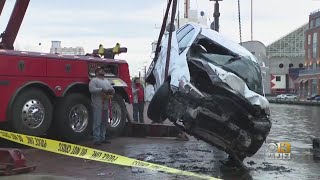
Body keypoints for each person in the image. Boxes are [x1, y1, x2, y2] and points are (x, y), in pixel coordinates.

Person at [89, 67, 115, 146]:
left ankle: (102, 138)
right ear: (96, 73)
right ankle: (96, 139)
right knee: (97, 121)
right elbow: (91, 89)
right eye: (100, 70)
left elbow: (112, 89)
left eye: (103, 70)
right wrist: (102, 90)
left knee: (104, 122)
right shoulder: (94, 80)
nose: (102, 71)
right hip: (97, 104)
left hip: (106, 104)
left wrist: (111, 92)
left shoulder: (106, 81)